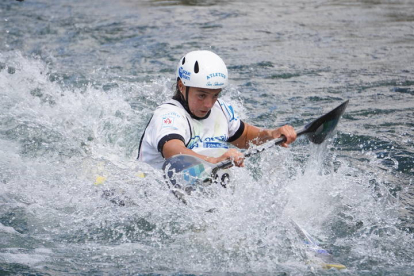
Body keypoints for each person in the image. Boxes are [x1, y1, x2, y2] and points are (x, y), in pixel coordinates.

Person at [138, 50, 296, 169]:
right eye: (201, 95)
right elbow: (173, 150)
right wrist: (213, 161)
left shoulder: (221, 109)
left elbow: (245, 137)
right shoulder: (168, 115)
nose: (209, 104)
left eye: (215, 95)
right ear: (181, 86)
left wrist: (271, 134)